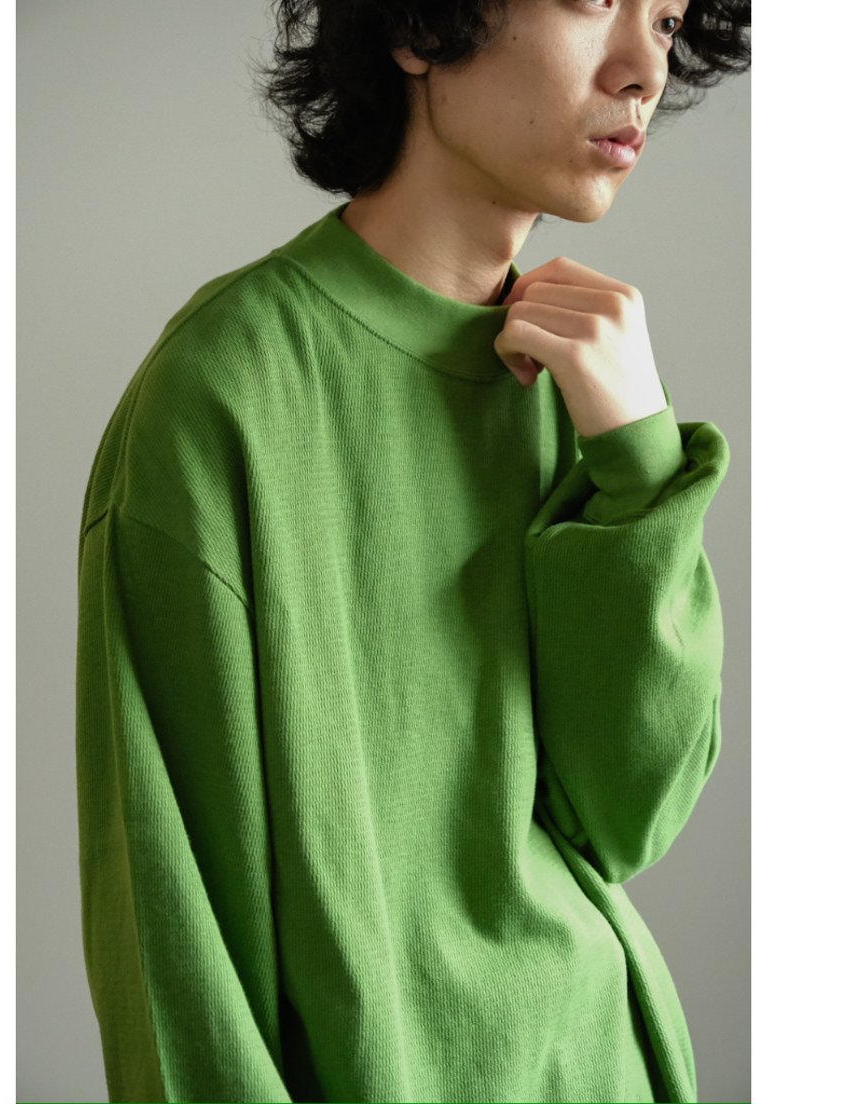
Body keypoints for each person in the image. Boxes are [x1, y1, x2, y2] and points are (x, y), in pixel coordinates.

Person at [75, 1, 751, 1101]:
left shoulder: (587, 386)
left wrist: (638, 466)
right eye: (594, 1)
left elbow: (628, 819)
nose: (642, 69)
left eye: (669, 20)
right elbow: (172, 940)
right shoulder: (224, 393)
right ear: (418, 27)